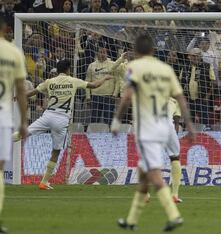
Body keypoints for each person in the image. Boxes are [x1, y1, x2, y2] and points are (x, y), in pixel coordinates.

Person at [111, 32, 195, 232]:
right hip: (166, 126)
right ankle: (131, 220)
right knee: (144, 172)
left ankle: (173, 215)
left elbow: (127, 95)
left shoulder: (134, 67)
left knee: (154, 173)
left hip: (147, 127)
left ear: (135, 51)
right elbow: (180, 98)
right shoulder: (165, 69)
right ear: (153, 50)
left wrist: (116, 120)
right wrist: (190, 125)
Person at [13, 59, 113, 190]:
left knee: (23, 133)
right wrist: (105, 78)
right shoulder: (73, 80)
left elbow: (32, 93)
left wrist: (18, 96)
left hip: (47, 115)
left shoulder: (50, 81)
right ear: (68, 70)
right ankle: (44, 182)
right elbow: (94, 85)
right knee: (55, 151)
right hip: (62, 119)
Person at [0, 15, 28, 233]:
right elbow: (21, 90)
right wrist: (24, 121)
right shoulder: (13, 53)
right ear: (7, 29)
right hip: (4, 117)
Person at [166, 97, 183, 203]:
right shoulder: (176, 101)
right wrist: (174, 138)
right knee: (175, 158)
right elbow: (176, 123)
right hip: (167, 126)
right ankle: (174, 195)